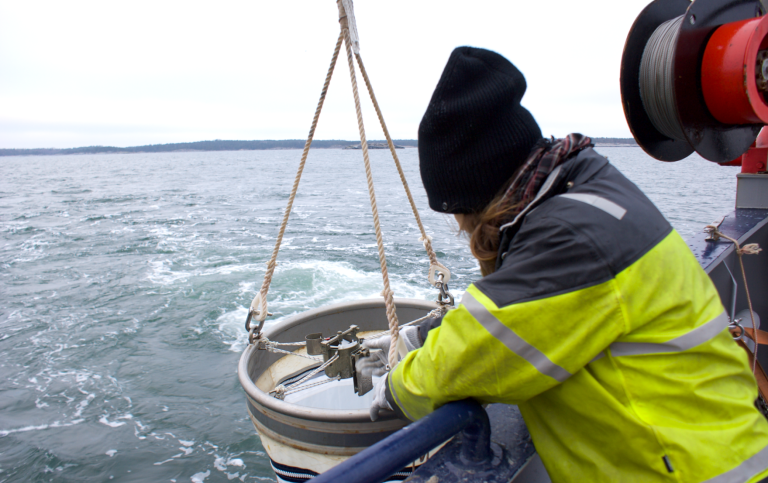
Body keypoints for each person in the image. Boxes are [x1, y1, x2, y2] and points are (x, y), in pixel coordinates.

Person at [360, 47, 768, 482]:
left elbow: (469, 359)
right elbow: (525, 307)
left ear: (484, 196)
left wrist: (393, 390)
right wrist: (418, 335)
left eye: (461, 213)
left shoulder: (570, 238)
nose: (463, 229)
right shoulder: (585, 190)